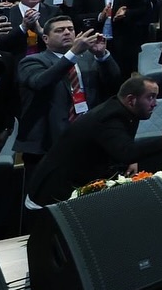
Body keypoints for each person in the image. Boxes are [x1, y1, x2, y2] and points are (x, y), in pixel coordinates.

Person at [25, 75, 162, 207]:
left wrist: (133, 160)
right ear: (131, 99)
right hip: (54, 190)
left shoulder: (128, 110)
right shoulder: (109, 117)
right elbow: (127, 151)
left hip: (80, 179)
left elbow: (123, 147)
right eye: (150, 97)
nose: (155, 103)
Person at [14, 16, 120, 175]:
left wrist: (102, 55)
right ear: (45, 39)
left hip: (87, 137)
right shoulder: (31, 61)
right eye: (59, 30)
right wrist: (73, 53)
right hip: (47, 142)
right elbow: (41, 82)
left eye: (70, 29)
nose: (67, 33)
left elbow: (114, 84)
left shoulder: (89, 59)